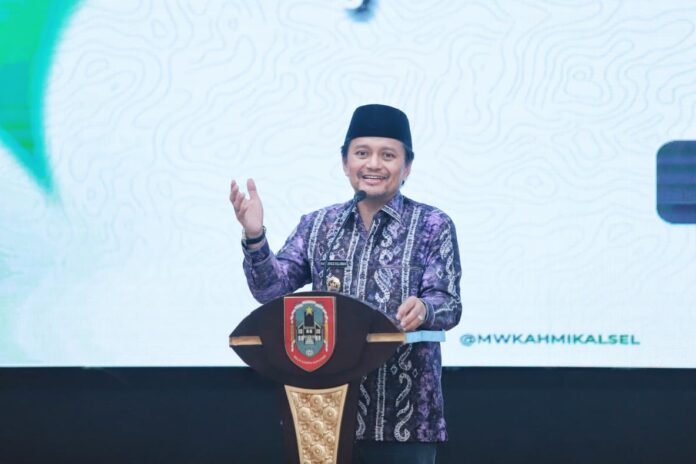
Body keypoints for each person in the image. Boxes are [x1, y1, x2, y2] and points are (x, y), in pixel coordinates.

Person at [230, 104, 461, 464]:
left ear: (407, 167)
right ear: (344, 162)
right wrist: (255, 236)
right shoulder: (319, 225)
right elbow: (271, 291)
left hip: (403, 418)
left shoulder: (432, 225)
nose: (373, 164)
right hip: (324, 416)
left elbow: (449, 303)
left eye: (388, 155)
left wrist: (425, 308)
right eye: (362, 153)